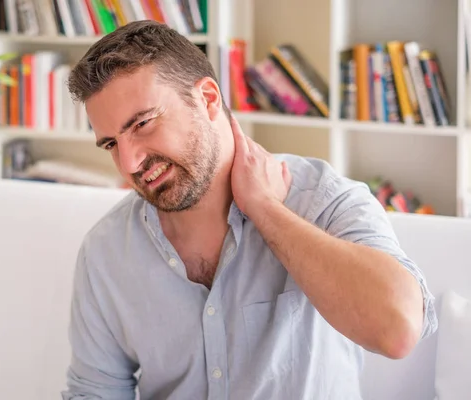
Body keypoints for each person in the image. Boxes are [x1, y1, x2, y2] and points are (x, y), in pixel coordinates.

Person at [61, 20, 437, 400]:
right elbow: (96, 391)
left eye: (142, 123)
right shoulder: (106, 251)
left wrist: (266, 210)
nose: (129, 163)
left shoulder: (322, 200)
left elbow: (398, 329)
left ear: (207, 99)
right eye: (110, 143)